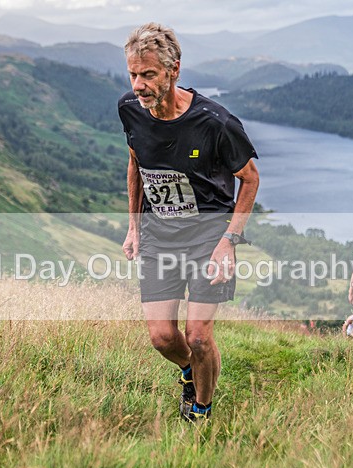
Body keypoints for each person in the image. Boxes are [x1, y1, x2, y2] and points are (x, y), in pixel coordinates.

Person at [118, 23, 260, 422]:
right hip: (160, 237)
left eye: (148, 75)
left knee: (198, 336)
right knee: (163, 337)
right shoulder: (130, 109)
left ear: (174, 70)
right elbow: (135, 163)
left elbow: (249, 178)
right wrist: (134, 226)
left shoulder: (216, 122)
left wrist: (229, 240)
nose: (139, 85)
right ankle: (188, 373)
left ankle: (201, 408)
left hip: (207, 237)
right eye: (133, 74)